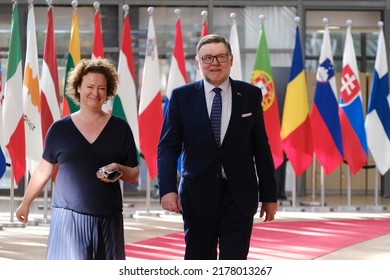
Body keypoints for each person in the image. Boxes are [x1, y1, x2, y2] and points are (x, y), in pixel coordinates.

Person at [157, 34, 278, 260]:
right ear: (198, 62)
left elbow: (261, 147)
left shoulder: (250, 94)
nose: (215, 63)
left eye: (221, 56)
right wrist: (167, 189)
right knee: (198, 260)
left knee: (234, 262)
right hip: (197, 196)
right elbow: (168, 147)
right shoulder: (181, 97)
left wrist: (269, 196)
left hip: (239, 197)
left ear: (231, 60)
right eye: (208, 58)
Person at [16, 58, 140, 260]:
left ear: (108, 92)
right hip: (68, 218)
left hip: (108, 219)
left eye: (102, 88)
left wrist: (119, 169)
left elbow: (134, 174)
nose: (96, 93)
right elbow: (43, 170)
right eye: (90, 86)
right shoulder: (59, 129)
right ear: (78, 88)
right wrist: (25, 202)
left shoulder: (121, 128)